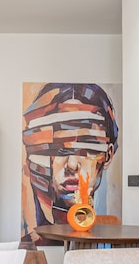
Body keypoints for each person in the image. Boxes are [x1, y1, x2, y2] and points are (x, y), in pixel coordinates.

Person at [21, 83, 119, 245]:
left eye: (88, 145)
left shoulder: (111, 242)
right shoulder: (30, 245)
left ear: (108, 155)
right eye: (57, 148)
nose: (72, 165)